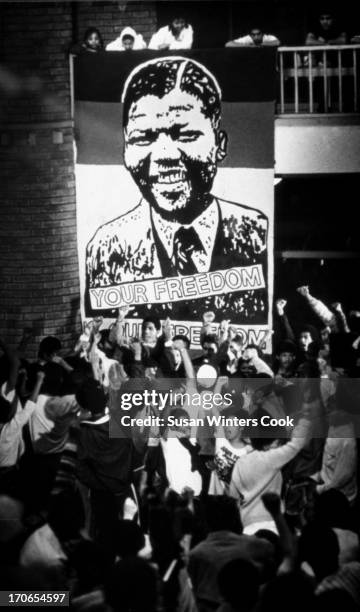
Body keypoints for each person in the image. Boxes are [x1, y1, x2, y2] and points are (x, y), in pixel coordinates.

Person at [86, 56, 268, 322]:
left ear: (220, 145)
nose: (163, 155)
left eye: (184, 135)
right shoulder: (105, 248)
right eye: (143, 137)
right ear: (125, 150)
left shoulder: (257, 233)